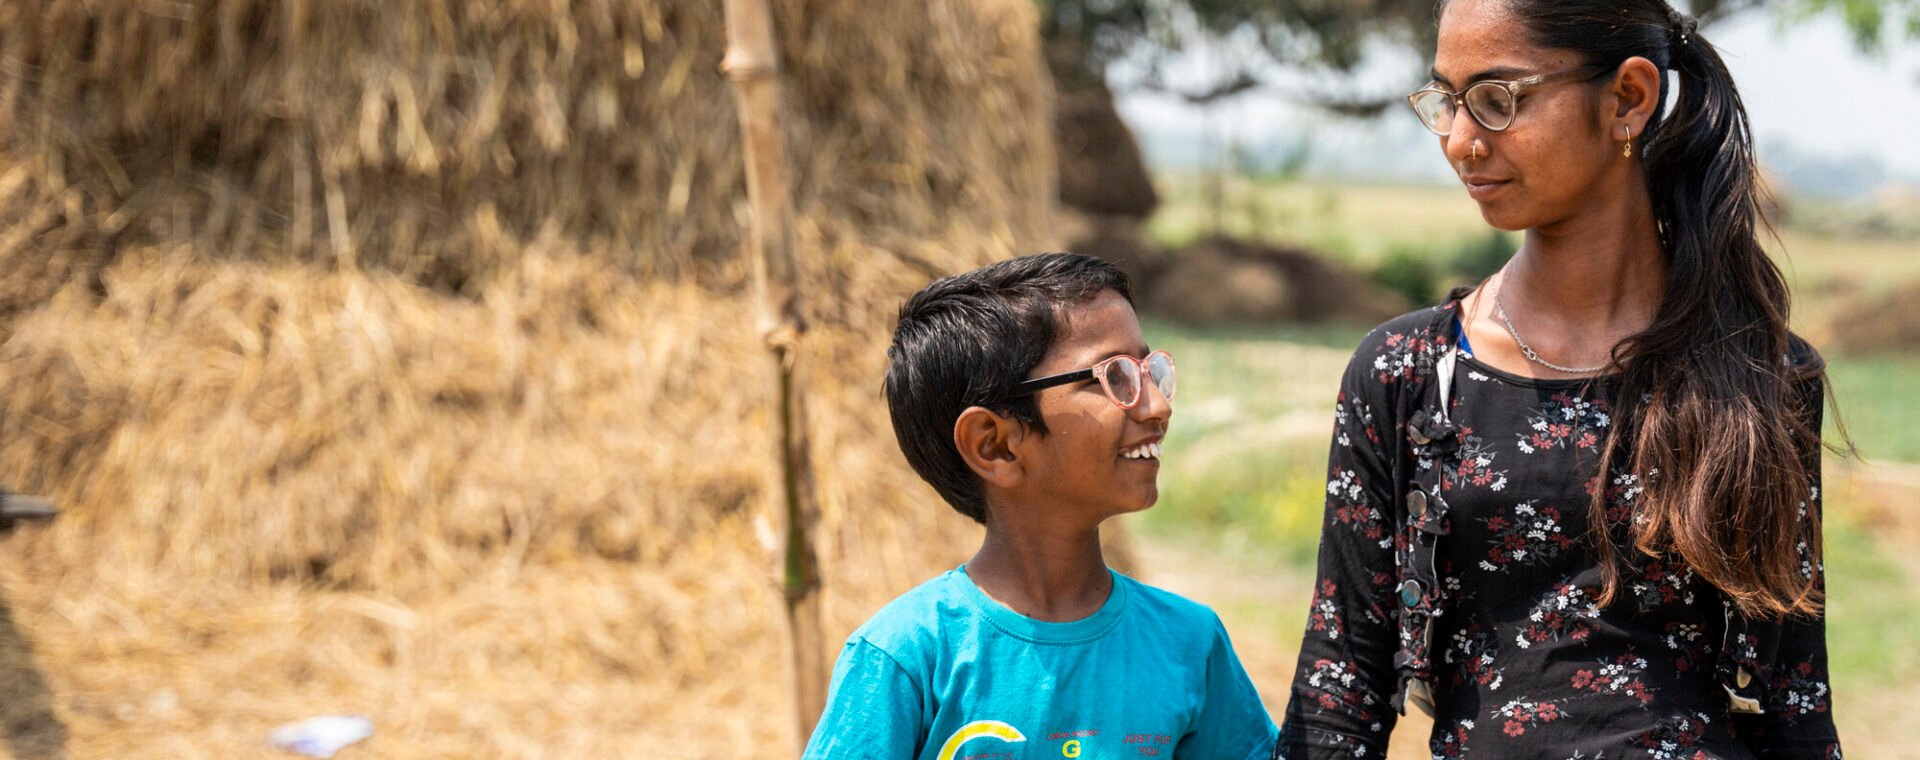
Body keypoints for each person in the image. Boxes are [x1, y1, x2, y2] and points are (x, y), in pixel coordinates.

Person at [1278, 1, 1841, 757]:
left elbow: (1792, 700)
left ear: (1628, 99)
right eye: (1447, 100)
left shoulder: (1759, 376)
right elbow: (1341, 688)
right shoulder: (1408, 375)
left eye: (1498, 99)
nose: (1460, 140)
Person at [802, 253, 1277, 760]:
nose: (1158, 406)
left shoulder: (1189, 644)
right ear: (995, 445)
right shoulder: (908, 658)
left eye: (1148, 371)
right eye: (1112, 377)